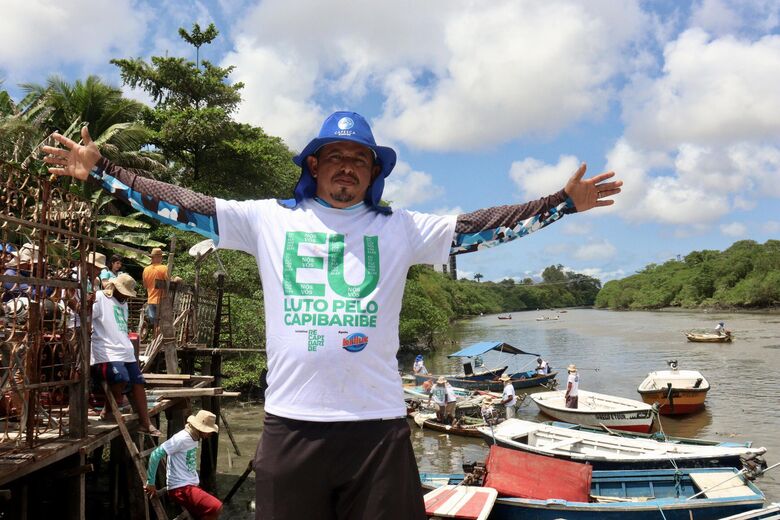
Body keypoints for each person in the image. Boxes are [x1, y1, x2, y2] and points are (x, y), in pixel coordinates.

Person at [43, 111, 621, 519]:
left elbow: (477, 227)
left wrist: (561, 203)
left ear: (374, 174)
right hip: (292, 425)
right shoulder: (269, 219)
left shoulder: (399, 229)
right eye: (337, 157)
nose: (348, 167)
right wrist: (103, 172)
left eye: (360, 160)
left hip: (378, 428)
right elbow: (184, 206)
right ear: (314, 165)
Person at [90, 272, 161, 436]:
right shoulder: (101, 298)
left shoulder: (123, 304)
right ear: (116, 288)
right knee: (121, 378)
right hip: (107, 350)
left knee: (138, 382)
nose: (126, 297)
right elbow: (88, 317)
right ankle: (109, 410)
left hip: (125, 350)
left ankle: (145, 422)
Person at [145, 410, 223, 519]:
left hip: (189, 485)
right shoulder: (182, 438)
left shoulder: (194, 438)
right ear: (200, 428)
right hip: (180, 487)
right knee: (216, 507)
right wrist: (150, 482)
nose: (210, 434)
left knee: (202, 514)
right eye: (208, 431)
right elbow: (155, 454)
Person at [142, 248, 169, 331]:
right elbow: (169, 281)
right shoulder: (164, 268)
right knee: (162, 324)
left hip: (151, 300)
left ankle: (155, 339)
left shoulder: (146, 270)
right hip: (161, 300)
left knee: (155, 324)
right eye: (161, 257)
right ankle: (160, 339)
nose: (161, 259)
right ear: (158, 258)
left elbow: (145, 285)